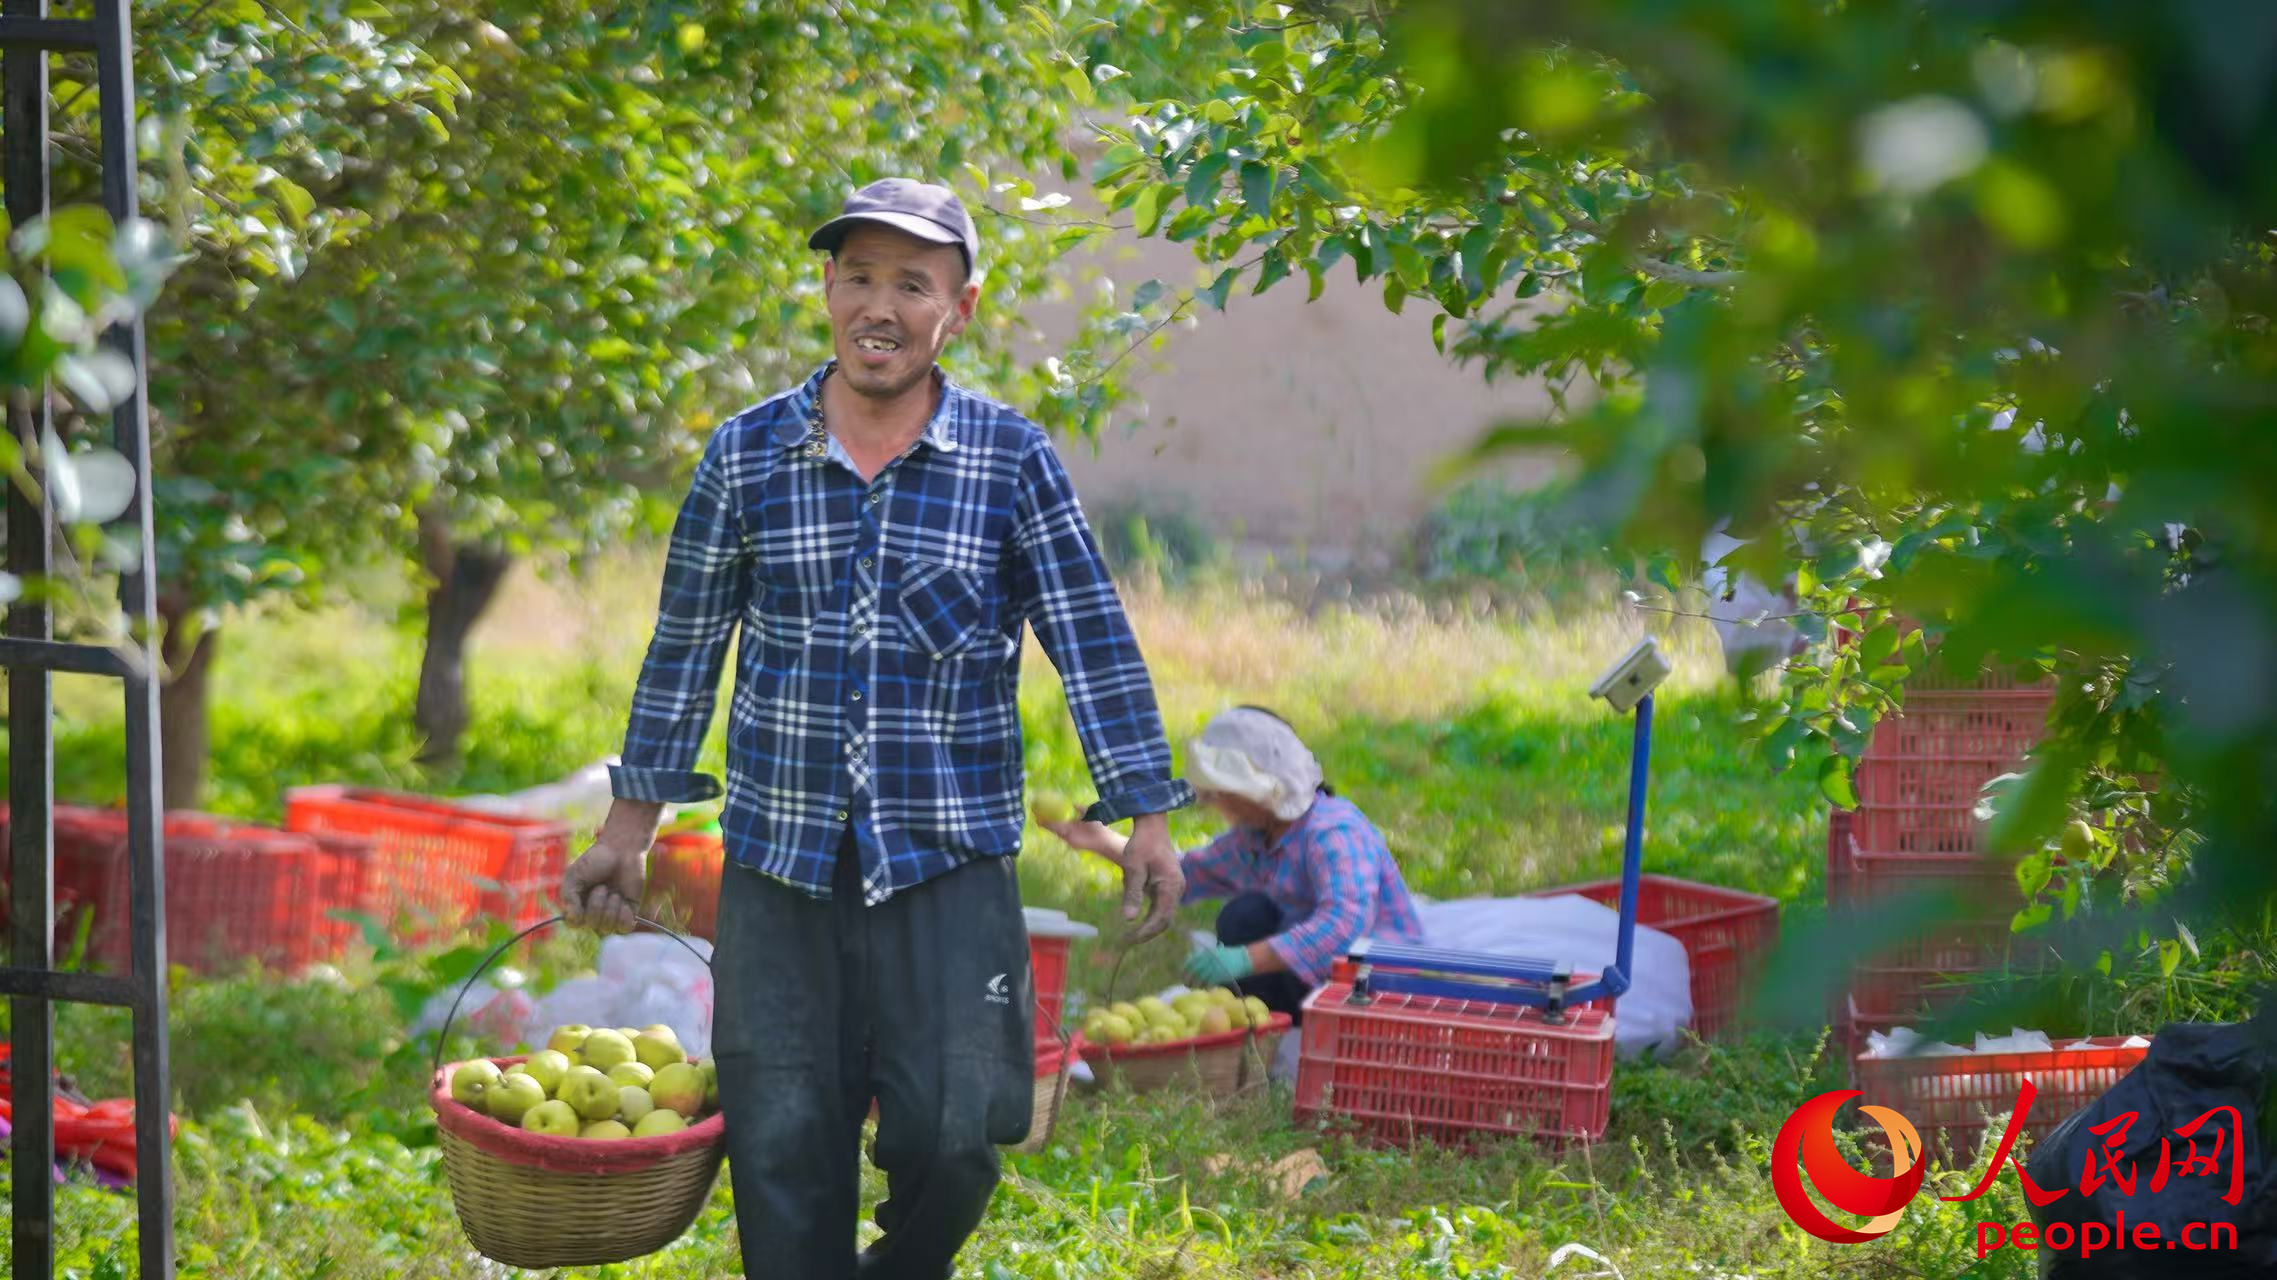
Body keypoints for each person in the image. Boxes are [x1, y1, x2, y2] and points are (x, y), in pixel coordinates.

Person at [558, 177, 1194, 1280]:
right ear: (826, 289)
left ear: (962, 308)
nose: (879, 307)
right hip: (782, 856)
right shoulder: (747, 454)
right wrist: (629, 825)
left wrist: (1145, 813)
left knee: (958, 1128)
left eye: (912, 284)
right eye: (858, 277)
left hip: (945, 855)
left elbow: (1091, 636)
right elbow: (684, 646)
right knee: (780, 1139)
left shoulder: (1007, 459)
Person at [1037, 705, 1423, 1020]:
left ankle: (1286, 1023)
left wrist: (1246, 958)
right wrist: (1101, 841)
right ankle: (1271, 1028)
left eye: (1223, 791)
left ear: (1260, 788)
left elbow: (1344, 926)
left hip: (1372, 986)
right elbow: (1183, 874)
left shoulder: (1333, 832)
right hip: (1316, 979)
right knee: (1244, 916)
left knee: (1246, 922)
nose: (1215, 801)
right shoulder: (1255, 837)